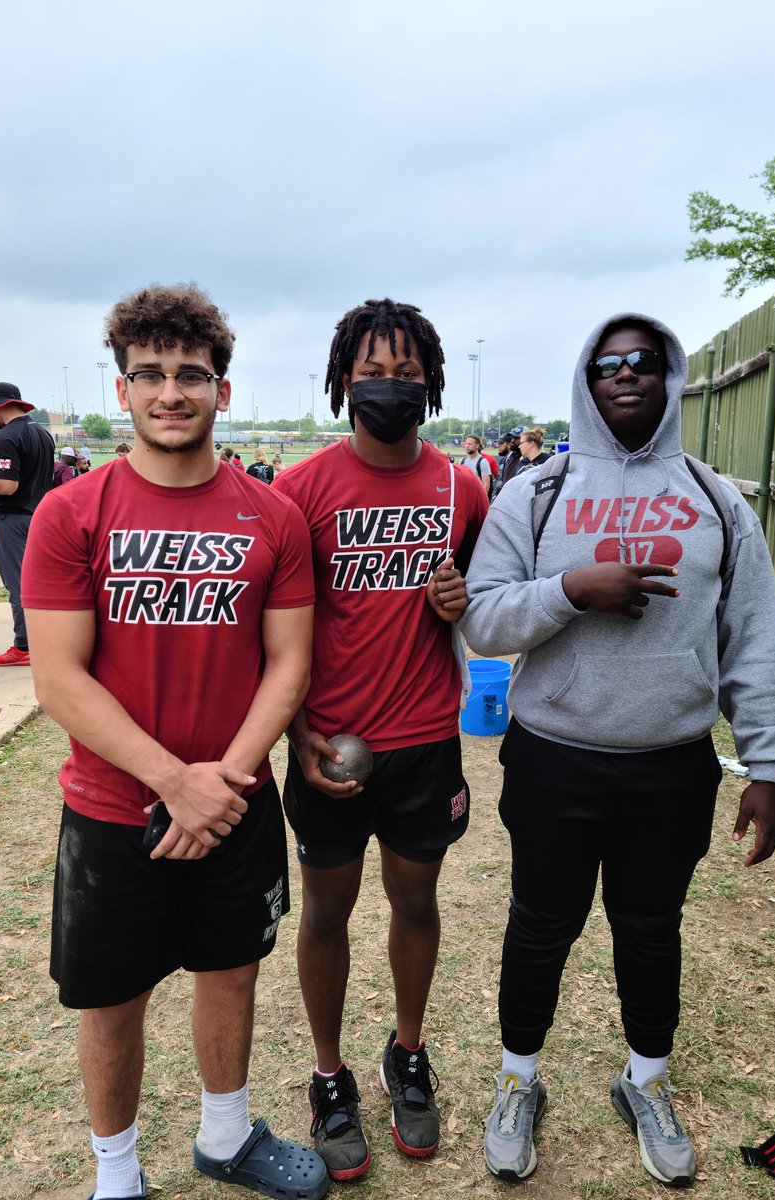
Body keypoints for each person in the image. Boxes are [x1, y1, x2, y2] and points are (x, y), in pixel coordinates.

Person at [460, 313, 775, 1186]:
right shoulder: (536, 493)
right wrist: (569, 590)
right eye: (607, 364)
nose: (626, 374)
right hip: (554, 755)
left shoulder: (715, 498)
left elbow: (753, 637)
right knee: (540, 926)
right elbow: (482, 619)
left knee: (650, 929)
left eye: (644, 361)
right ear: (586, 380)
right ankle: (517, 1080)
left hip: (671, 762)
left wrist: (767, 764)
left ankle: (646, 1081)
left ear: (669, 375)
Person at [21, 282, 327, 1200]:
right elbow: (59, 678)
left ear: (221, 390)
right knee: (113, 1002)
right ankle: (116, 1178)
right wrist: (172, 783)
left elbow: (289, 664)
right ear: (121, 390)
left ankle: (226, 1137)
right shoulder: (71, 513)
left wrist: (219, 784)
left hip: (235, 802)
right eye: (148, 373)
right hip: (113, 811)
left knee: (231, 973)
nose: (170, 392)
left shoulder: (273, 516)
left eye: (190, 374)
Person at [274, 298, 489, 1181]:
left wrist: (462, 602)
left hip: (426, 741)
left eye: (405, 373)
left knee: (416, 904)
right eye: (372, 372)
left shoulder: (463, 490)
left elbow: (491, 598)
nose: (388, 386)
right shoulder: (299, 491)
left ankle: (408, 1052)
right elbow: (272, 630)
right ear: (343, 380)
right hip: (331, 746)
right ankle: (329, 1077)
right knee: (325, 912)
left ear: (430, 382)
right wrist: (297, 735)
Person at [0, 382, 54, 666]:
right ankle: (46, 641)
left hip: (14, 518)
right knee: (42, 583)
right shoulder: (42, 433)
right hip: (41, 516)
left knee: (19, 584)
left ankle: (24, 647)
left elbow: (7, 486)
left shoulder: (6, 436)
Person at [492, 426, 525, 498]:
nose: (512, 441)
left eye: (516, 438)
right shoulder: (508, 458)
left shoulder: (528, 459)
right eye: (512, 438)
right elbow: (501, 480)